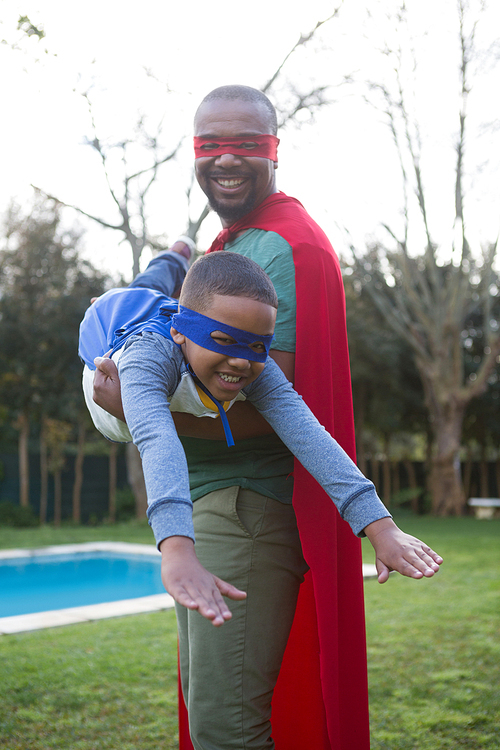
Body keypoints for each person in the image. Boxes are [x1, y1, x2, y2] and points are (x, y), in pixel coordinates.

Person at [92, 86, 443, 750]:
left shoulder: (276, 255)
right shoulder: (194, 300)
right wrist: (176, 544)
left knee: (225, 723)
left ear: (276, 149)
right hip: (203, 486)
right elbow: (158, 442)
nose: (226, 158)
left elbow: (298, 420)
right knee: (214, 712)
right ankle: (167, 257)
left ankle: (167, 258)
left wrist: (380, 524)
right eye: (209, 145)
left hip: (242, 509)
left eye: (247, 145)